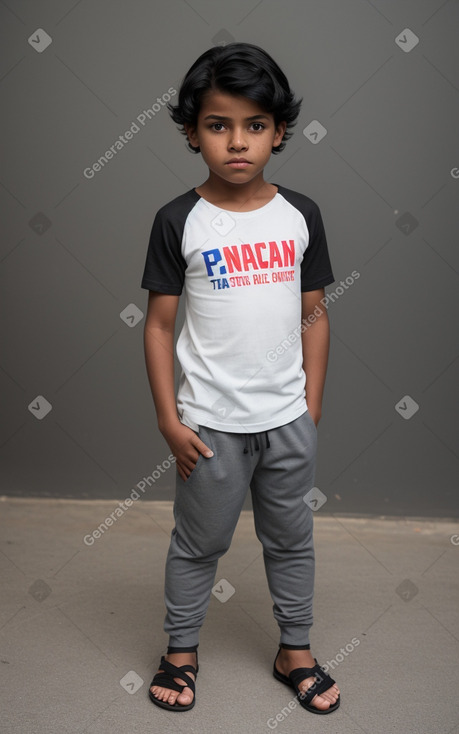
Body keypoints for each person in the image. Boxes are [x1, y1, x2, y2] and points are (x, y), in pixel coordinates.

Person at [141, 42, 340, 715]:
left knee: (290, 540)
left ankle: (296, 649)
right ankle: (180, 650)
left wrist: (309, 403)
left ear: (278, 132)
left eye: (254, 126)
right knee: (198, 544)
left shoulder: (301, 214)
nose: (236, 142)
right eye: (217, 125)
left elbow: (314, 315)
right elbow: (160, 328)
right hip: (209, 428)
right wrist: (171, 421)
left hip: (286, 423)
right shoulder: (179, 221)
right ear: (192, 132)